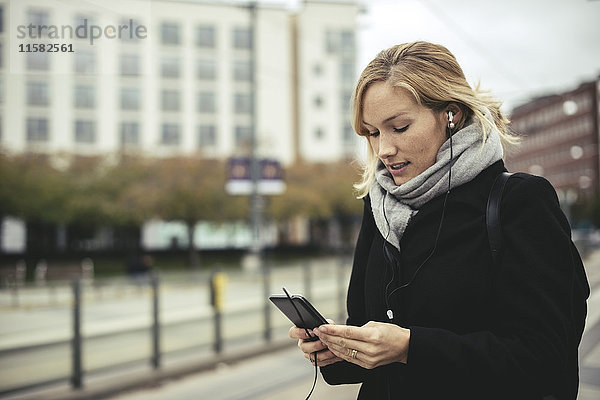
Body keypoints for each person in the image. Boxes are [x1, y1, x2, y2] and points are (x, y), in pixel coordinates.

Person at [289, 41, 590, 399]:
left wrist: (410, 347)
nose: (383, 149)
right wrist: (337, 349)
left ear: (451, 115)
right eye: (372, 133)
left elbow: (546, 359)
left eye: (398, 127)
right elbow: (368, 341)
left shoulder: (520, 202)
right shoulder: (378, 207)